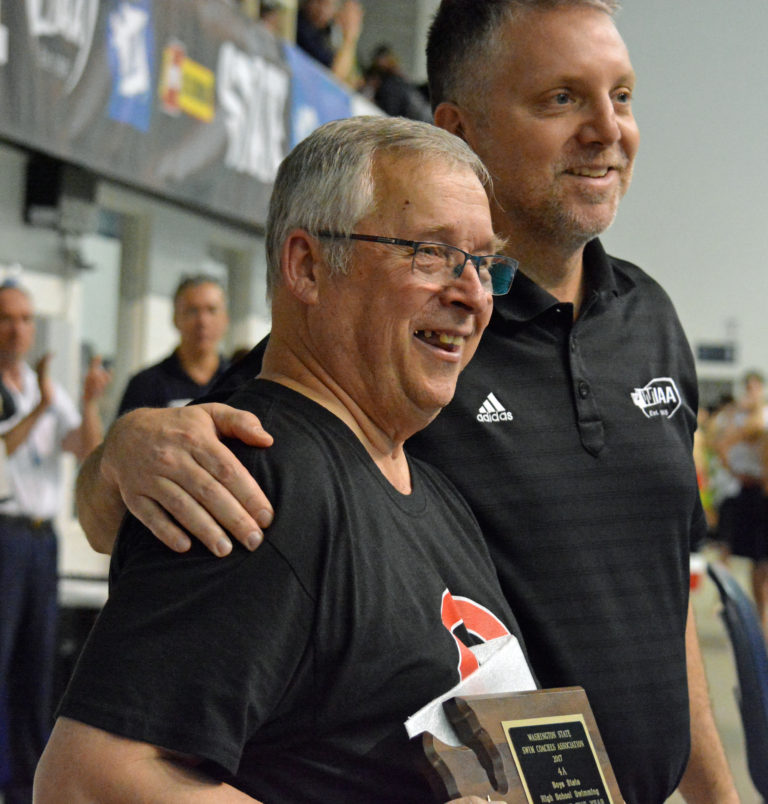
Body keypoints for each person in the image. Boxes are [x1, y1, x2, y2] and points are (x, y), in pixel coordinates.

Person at [73, 2, 739, 802]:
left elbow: (665, 600)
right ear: (459, 128)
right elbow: (198, 483)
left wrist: (717, 794)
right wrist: (124, 450)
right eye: (561, 98)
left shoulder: (650, 322)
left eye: (622, 96)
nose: (606, 129)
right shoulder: (364, 378)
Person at [35, 117, 528, 803]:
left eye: (483, 263)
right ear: (306, 265)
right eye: (430, 253)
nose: (473, 294)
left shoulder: (431, 493)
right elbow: (88, 783)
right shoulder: (254, 482)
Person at [0, 280, 109, 804]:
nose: (17, 329)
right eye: (6, 318)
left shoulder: (42, 386)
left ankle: (25, 784)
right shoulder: (22, 392)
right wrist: (42, 406)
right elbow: (4, 449)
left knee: (35, 662)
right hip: (5, 535)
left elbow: (85, 447)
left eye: (24, 318)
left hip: (41, 546)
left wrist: (88, 402)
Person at [116, 274, 230, 415]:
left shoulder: (242, 382)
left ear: (226, 318)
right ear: (175, 318)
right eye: (192, 311)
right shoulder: (145, 385)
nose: (202, 321)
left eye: (212, 310)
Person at [713, 371, 768, 632]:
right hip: (744, 489)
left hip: (762, 490)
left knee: (761, 559)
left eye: (756, 388)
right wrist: (734, 471)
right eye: (749, 387)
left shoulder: (762, 415)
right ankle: (738, 608)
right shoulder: (739, 417)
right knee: (732, 549)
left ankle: (760, 613)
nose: (752, 392)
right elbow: (721, 442)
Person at [295, 0, 363, 88]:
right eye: (319, 2)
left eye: (328, 5)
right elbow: (333, 80)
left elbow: (351, 79)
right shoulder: (300, 27)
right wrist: (349, 37)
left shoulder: (327, 32)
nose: (322, 10)